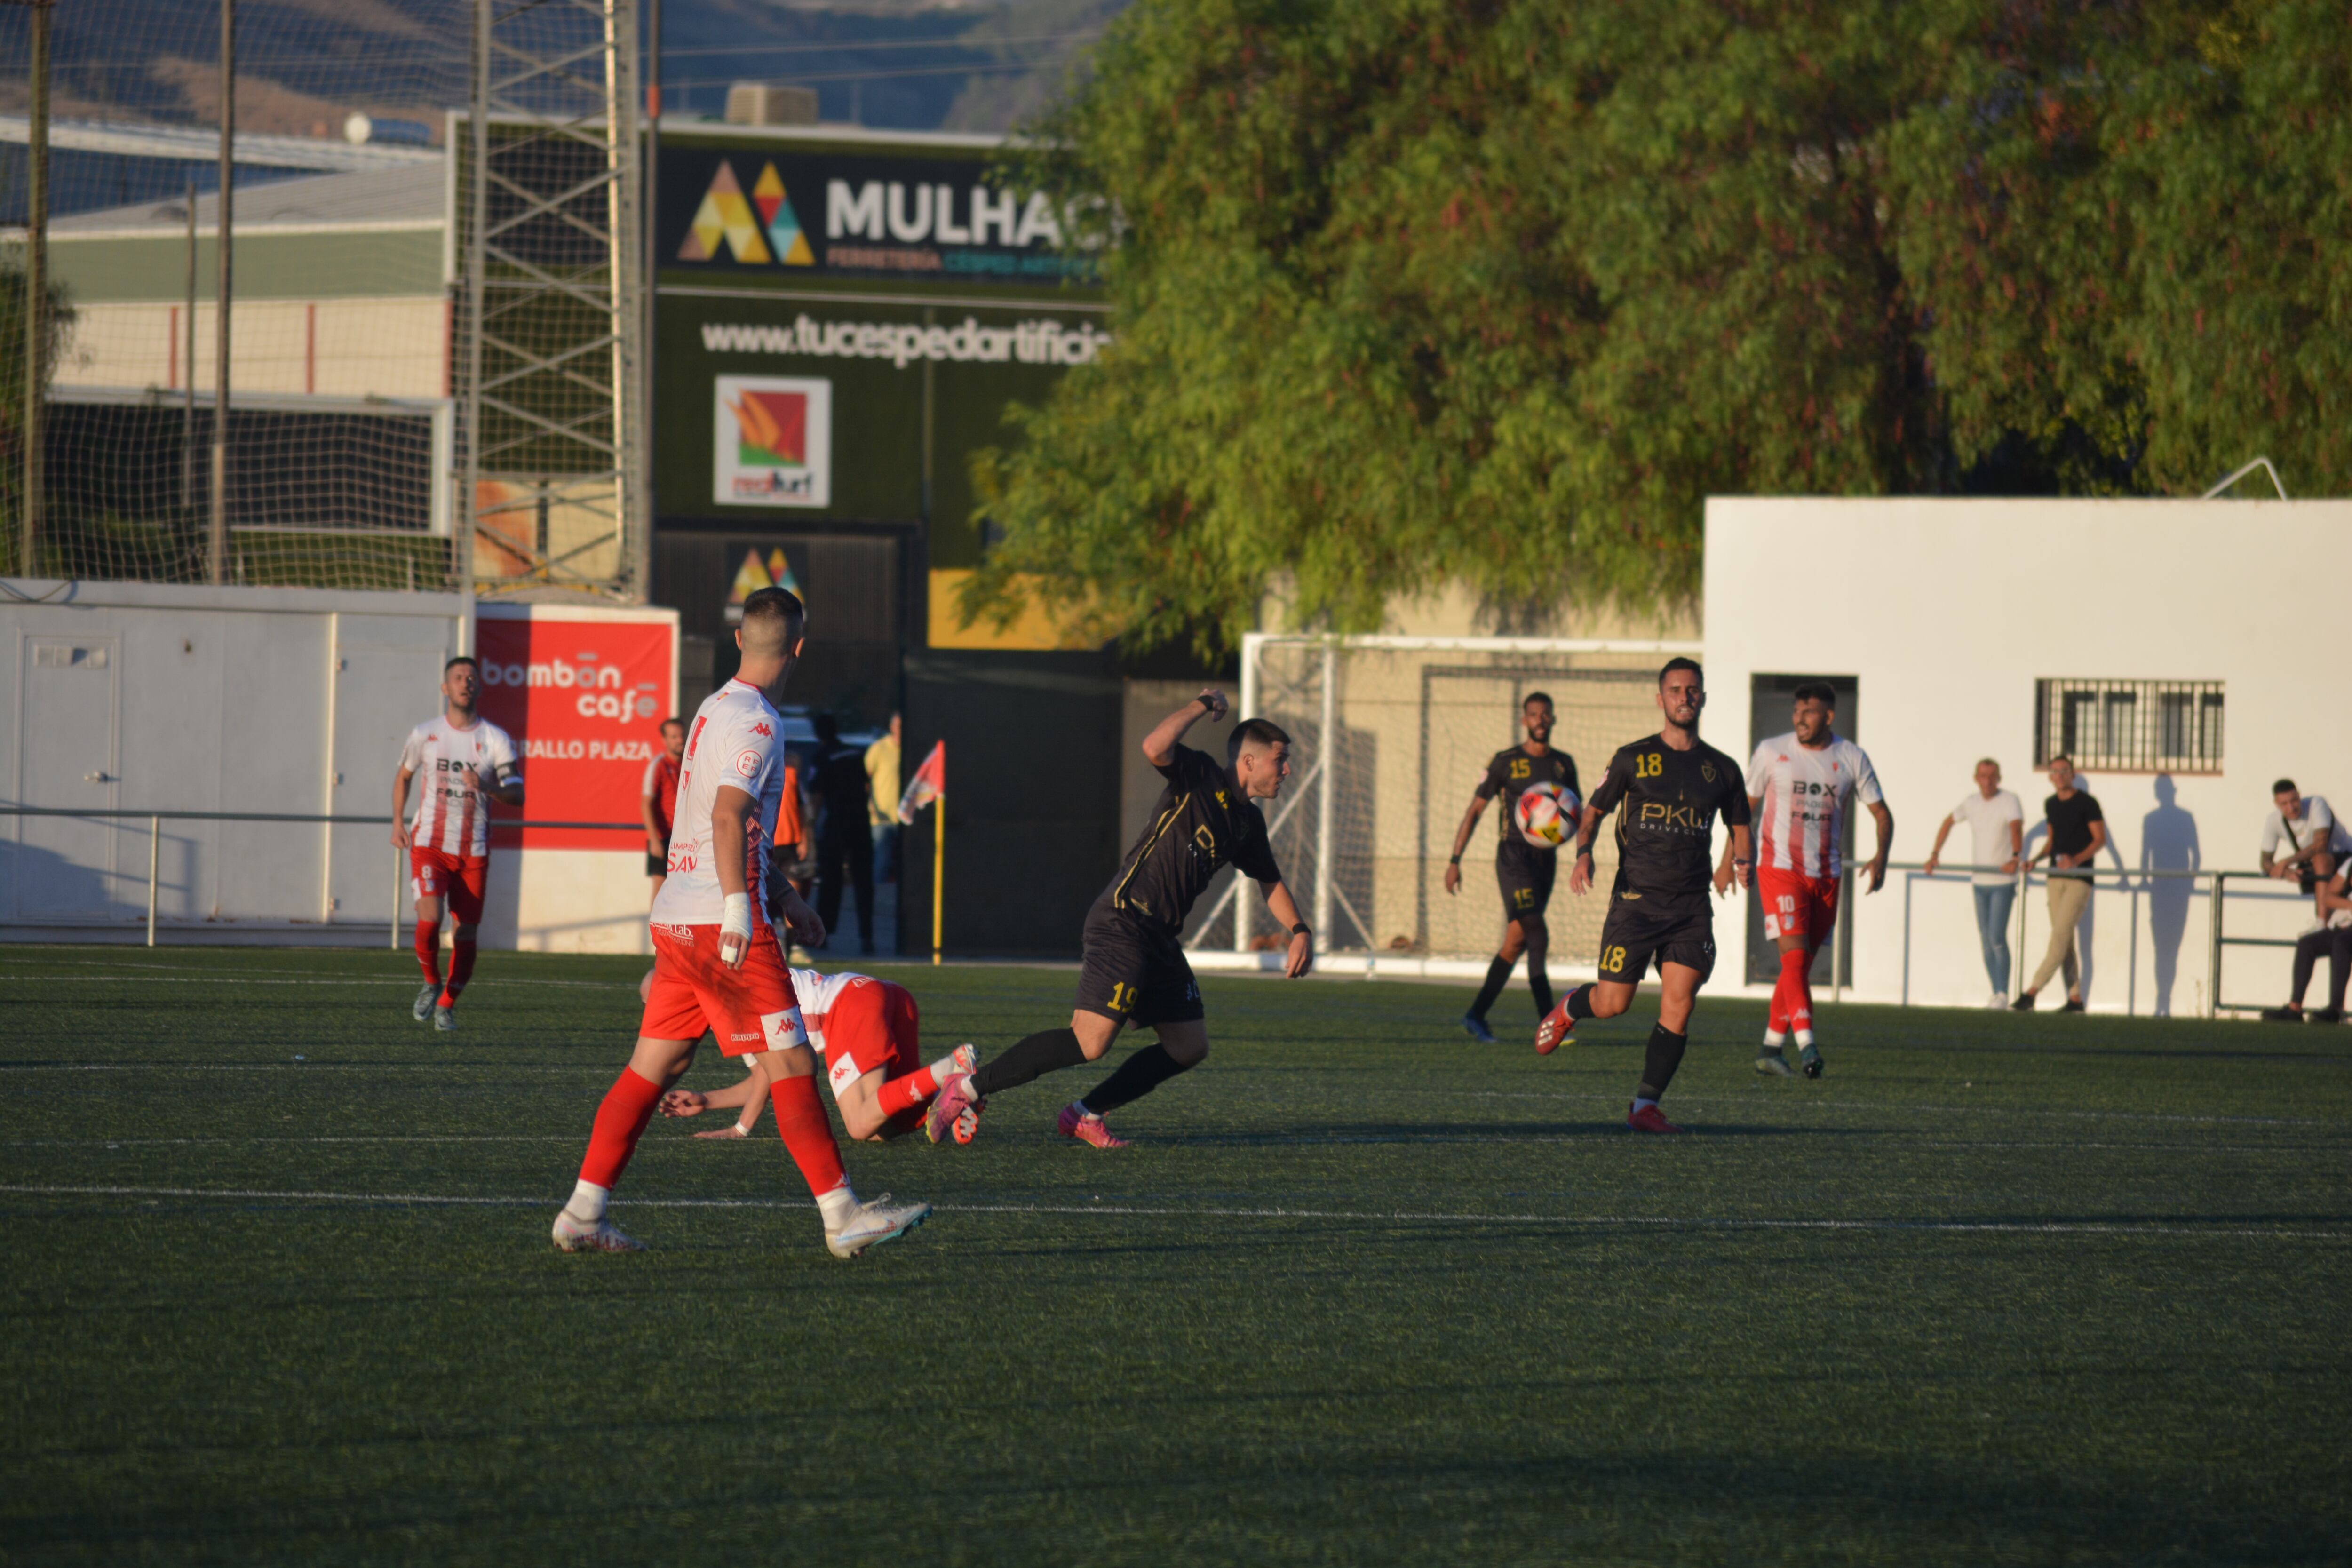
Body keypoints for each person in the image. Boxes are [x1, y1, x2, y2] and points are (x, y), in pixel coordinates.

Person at [549, 587, 930, 1259]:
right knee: (790, 1061)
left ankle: (583, 1210)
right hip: (720, 924)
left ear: (739, 642)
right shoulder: (758, 723)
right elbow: (727, 817)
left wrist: (785, 897)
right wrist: (740, 910)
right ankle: (841, 1217)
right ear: (799, 649)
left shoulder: (712, 707)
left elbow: (724, 826)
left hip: (675, 919)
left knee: (654, 1065)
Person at [923, 691, 1314, 1149]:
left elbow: (1269, 881)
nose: (1286, 770)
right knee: (1090, 1042)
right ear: (1248, 762)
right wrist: (1200, 704)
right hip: (1124, 920)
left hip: (1161, 939)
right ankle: (967, 1088)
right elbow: (1153, 747)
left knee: (1189, 1046)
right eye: (1279, 760)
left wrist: (1299, 930)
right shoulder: (1201, 775)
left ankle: (1083, 1115)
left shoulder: (1248, 824)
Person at [1533, 659, 1753, 1134]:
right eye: (1675, 690)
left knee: (1680, 1001)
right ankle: (1572, 1005)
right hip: (1635, 902)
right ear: (1660, 699)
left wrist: (1742, 862)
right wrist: (1583, 855)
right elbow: (1590, 814)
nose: (1684, 697)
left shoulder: (1722, 769)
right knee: (1614, 1004)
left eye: (1692, 690)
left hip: (1690, 906)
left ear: (1702, 698)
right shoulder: (1631, 758)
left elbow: (1739, 824)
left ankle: (1644, 1107)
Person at [1741, 682, 1891, 1079]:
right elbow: (1745, 808)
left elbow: (1882, 814)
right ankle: (1808, 1045)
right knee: (1792, 958)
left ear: (1829, 716)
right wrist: (1732, 860)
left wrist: (1881, 858)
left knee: (1801, 966)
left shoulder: (1851, 756)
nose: (1799, 718)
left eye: (1809, 712)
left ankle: (1770, 1048)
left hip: (1827, 875)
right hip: (1779, 868)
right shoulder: (1772, 751)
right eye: (1796, 711)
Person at [656, 965, 975, 1141]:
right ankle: (957, 1096)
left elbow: (772, 1070)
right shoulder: (731, 989)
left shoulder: (734, 1001)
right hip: (881, 994)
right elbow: (762, 1079)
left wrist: (740, 1129)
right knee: (887, 1127)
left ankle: (950, 1070)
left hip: (851, 1005)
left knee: (859, 1125)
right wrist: (708, 1100)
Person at [392, 655, 523, 1033]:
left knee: (465, 932)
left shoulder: (494, 739)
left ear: (479, 687)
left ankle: (447, 1004)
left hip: (473, 850)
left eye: (471, 677)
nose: (466, 682)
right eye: (458, 677)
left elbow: (517, 792)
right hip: (430, 842)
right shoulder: (425, 733)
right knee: (430, 918)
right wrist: (398, 821)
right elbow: (403, 776)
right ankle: (431, 981)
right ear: (445, 688)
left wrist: (488, 787)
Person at [1443, 692, 1578, 1042]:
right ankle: (1551, 1024)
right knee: (1538, 934)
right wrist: (1455, 860)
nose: (1540, 720)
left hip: (1545, 861)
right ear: (1524, 720)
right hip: (1513, 858)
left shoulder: (1564, 764)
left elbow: (1577, 816)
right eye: (1533, 715)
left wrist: (1582, 852)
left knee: (1516, 941)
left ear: (1553, 718)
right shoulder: (1505, 761)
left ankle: (1475, 1015)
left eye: (1545, 714)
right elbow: (1475, 810)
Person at [1923, 759, 2024, 1006]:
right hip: (1980, 881)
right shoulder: (1971, 802)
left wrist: (2015, 857)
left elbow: (2016, 828)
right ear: (1976, 778)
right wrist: (1935, 854)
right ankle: (1996, 992)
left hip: (2002, 880)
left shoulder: (2009, 800)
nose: (1987, 781)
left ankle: (2003, 992)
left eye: (1992, 776)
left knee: (1996, 936)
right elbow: (1948, 822)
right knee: (1985, 939)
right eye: (1983, 776)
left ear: (1999, 778)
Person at [2012, 755, 2106, 1012]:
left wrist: (2076, 860)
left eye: (2064, 771)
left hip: (2079, 879)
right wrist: (2036, 860)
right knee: (2064, 941)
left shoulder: (2088, 803)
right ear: (2050, 777)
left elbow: (2100, 840)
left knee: (2060, 936)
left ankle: (2031, 992)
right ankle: (2075, 999)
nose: (2060, 776)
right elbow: (2053, 842)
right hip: (2055, 878)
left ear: (2072, 774)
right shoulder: (2051, 804)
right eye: (2055, 772)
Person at [810, 713, 877, 954]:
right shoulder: (855, 754)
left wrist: (809, 827)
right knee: (863, 882)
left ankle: (823, 935)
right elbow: (868, 786)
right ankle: (867, 937)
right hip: (860, 821)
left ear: (818, 734)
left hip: (836, 823)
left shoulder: (821, 758)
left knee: (831, 882)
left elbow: (817, 797)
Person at [2262, 861, 2352, 1024]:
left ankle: (2336, 1009)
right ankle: (2295, 1008)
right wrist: (2349, 905)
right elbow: (2328, 897)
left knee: (2342, 943)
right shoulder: (2350, 863)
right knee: (2307, 944)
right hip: (2346, 923)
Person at [2259, 780, 2352, 923]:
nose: (2291, 808)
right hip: (2320, 869)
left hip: (2346, 861)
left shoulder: (2317, 804)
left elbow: (2320, 845)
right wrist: (2287, 873)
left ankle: (2321, 923)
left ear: (2299, 796)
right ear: (2276, 804)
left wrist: (2286, 862)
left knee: (2320, 859)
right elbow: (2265, 862)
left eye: (2294, 800)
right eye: (2284, 804)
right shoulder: (2273, 821)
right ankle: (2322, 924)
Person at [640, 716, 685, 907]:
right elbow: (646, 803)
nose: (680, 740)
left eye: (682, 735)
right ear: (665, 740)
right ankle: (657, 936)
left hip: (685, 838)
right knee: (661, 887)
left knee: (685, 888)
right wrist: (655, 840)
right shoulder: (659, 765)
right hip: (663, 837)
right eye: (674, 737)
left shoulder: (690, 764)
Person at [866, 711, 902, 888]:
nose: (901, 730)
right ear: (892, 727)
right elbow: (865, 779)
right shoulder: (879, 749)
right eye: (898, 726)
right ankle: (879, 898)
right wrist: (873, 807)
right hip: (881, 819)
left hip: (906, 818)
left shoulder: (912, 749)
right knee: (882, 859)